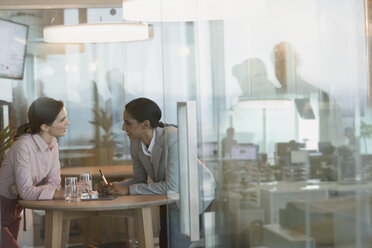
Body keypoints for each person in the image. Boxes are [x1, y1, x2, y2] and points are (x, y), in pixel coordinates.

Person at [104, 97, 214, 248]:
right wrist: (117, 186)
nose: (123, 128)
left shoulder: (173, 138)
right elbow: (139, 179)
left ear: (146, 124)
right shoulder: (135, 143)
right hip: (170, 199)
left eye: (128, 123)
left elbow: (172, 187)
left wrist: (128, 189)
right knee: (166, 242)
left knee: (176, 244)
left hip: (195, 196)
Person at [0, 97, 69, 248]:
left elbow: (54, 183)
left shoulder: (53, 143)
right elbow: (27, 191)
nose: (67, 123)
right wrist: (54, 193)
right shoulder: (23, 145)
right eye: (62, 119)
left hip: (15, 208)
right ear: (45, 127)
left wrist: (29, 189)